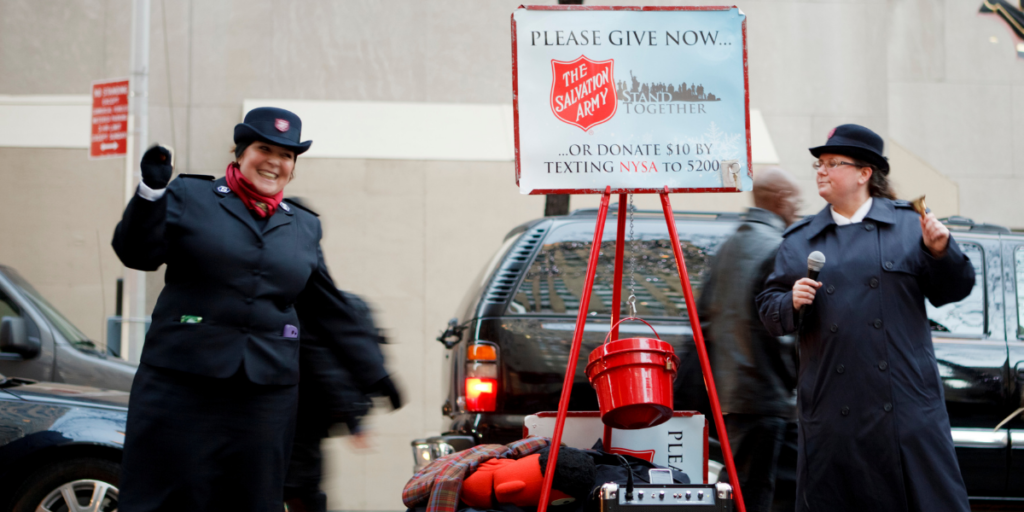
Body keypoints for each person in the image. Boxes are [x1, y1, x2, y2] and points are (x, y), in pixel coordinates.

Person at [112, 107, 399, 512]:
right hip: (181, 381)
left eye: (286, 155)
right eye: (265, 148)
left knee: (252, 500)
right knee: (168, 495)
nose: (275, 162)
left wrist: (373, 371)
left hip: (265, 392)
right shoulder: (191, 196)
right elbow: (137, 254)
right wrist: (150, 194)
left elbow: (328, 306)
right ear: (241, 153)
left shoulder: (302, 224)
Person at [755, 124, 975, 512]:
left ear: (864, 173)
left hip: (906, 411)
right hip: (833, 413)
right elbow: (770, 315)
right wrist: (789, 301)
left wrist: (942, 253)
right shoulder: (800, 239)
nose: (820, 171)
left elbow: (953, 291)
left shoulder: (912, 226)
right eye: (818, 164)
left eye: (832, 163)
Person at [697, 167, 801, 512]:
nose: (798, 210)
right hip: (766, 391)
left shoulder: (728, 245)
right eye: (796, 202)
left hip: (733, 391)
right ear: (781, 200)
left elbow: (704, 316)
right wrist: (795, 379)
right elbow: (781, 327)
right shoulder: (777, 247)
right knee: (754, 491)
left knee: (748, 485)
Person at [285, 290, 395, 512]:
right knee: (301, 487)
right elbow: (324, 367)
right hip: (302, 416)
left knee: (298, 486)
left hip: (299, 413)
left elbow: (324, 366)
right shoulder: (341, 309)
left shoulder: (308, 308)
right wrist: (353, 419)